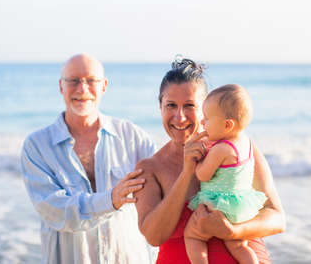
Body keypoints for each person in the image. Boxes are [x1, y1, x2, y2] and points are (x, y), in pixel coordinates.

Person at [134, 58, 286, 264]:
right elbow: (154, 236)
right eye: (170, 105)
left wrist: (232, 231)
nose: (180, 117)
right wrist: (187, 172)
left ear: (205, 108)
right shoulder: (150, 168)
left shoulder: (239, 149)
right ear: (160, 106)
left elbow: (277, 218)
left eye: (189, 105)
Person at [20, 54, 157, 264]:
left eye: (91, 80)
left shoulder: (133, 137)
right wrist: (110, 200)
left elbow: (165, 191)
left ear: (104, 86)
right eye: (73, 80)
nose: (82, 89)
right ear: (60, 86)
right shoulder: (37, 146)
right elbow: (56, 211)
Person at [185, 84, 267, 264]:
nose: (203, 123)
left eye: (207, 119)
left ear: (227, 125)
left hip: (219, 206)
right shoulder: (246, 142)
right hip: (241, 206)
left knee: (192, 236)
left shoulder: (221, 149)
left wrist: (196, 160)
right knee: (238, 246)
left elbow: (203, 175)